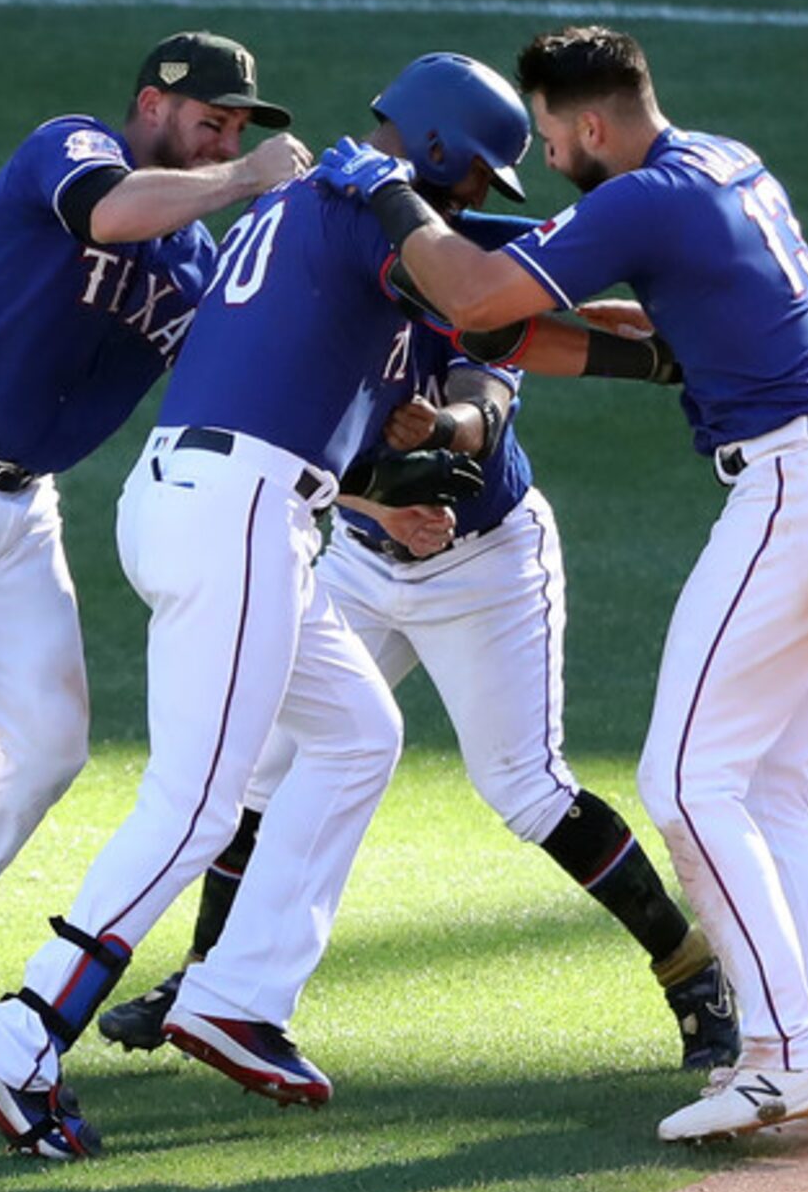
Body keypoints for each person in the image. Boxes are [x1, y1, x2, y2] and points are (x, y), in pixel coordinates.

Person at [316, 25, 808, 1142]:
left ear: (591, 123)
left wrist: (384, 197)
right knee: (771, 788)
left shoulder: (639, 198)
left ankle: (783, 1053)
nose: (549, 155)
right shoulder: (725, 161)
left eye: (551, 135)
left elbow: (484, 294)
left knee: (687, 783)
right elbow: (627, 306)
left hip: (798, 491)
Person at [0, 53, 541, 1158]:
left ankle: (235, 995)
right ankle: (24, 1030)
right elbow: (480, 290)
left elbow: (316, 354)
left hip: (209, 496)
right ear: (443, 156)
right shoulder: (373, 207)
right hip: (242, 514)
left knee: (358, 733)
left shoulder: (318, 201)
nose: (468, 204)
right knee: (200, 801)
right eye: (471, 183)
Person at [92, 234, 744, 1075]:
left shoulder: (463, 288)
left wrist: (443, 425)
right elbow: (292, 449)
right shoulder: (324, 312)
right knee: (263, 764)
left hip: (487, 570)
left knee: (525, 787)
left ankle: (692, 974)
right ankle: (210, 984)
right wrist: (382, 506)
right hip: (360, 562)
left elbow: (486, 406)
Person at [0, 31, 307, 1102]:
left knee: (50, 742)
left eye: (238, 128)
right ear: (153, 106)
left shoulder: (196, 263)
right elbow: (106, 213)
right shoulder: (72, 146)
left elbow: (247, 377)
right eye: (208, 121)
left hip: (20, 505)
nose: (223, 139)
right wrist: (237, 182)